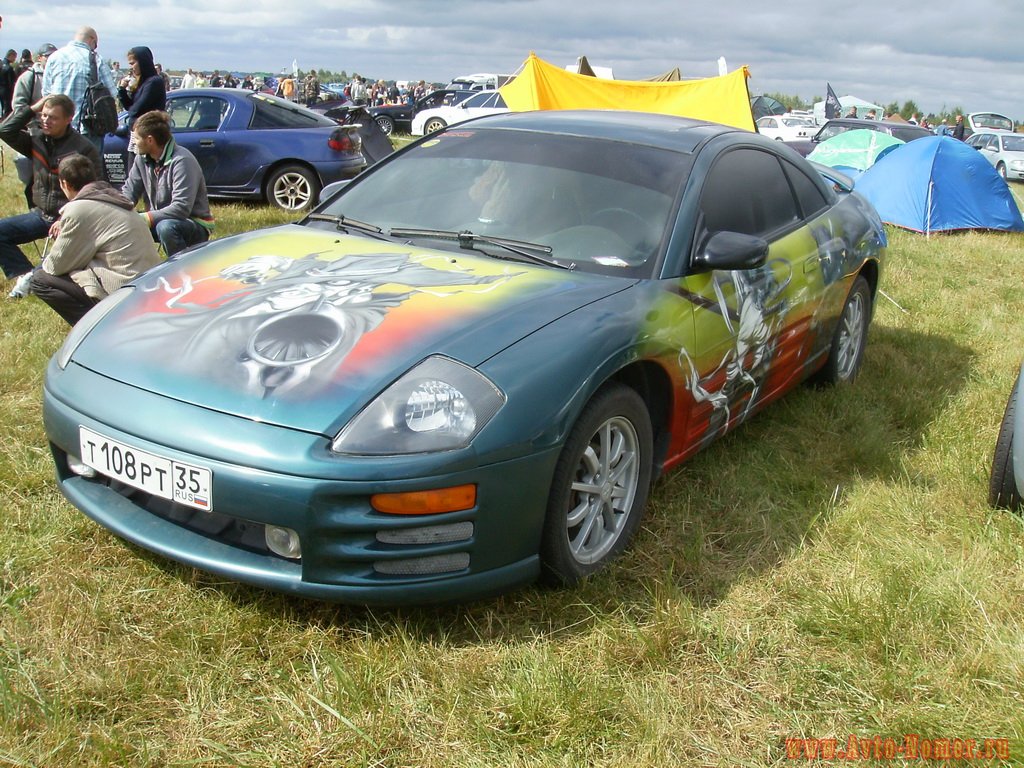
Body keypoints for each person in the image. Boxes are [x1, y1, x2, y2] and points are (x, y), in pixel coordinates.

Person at [29, 154, 161, 324]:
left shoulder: (79, 209)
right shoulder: (114, 198)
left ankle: (96, 328)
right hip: (149, 285)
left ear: (64, 183)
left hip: (124, 294)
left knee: (40, 279)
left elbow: (55, 266)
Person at [0, 94, 100, 286]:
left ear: (68, 119)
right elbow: (5, 130)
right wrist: (32, 109)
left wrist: (66, 218)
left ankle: (39, 277)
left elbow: (95, 190)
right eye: (43, 115)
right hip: (42, 215)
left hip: (71, 219)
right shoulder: (35, 139)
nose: (45, 120)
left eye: (52, 117)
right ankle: (26, 277)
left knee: (62, 267)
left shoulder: (84, 149)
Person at [121, 109, 214, 256]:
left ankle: (180, 271)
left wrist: (145, 218)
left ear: (150, 140)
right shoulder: (141, 159)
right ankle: (140, 272)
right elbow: (129, 192)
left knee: (166, 227)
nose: (134, 143)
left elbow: (181, 208)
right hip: (161, 219)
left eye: (137, 138)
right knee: (123, 223)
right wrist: (119, 212)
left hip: (192, 223)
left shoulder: (182, 161)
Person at [41, 26, 117, 152]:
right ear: (92, 40)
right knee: (89, 169)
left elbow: (46, 93)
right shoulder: (96, 60)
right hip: (87, 129)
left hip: (58, 127)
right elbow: (111, 93)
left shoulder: (54, 57)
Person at [12, 43, 58, 208]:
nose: (52, 59)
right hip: (34, 133)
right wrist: (34, 121)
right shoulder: (29, 77)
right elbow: (18, 107)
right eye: (48, 56)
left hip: (55, 133)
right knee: (35, 176)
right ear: (40, 58)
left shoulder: (58, 75)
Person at [116, 45, 166, 156]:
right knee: (133, 170)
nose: (131, 67)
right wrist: (122, 90)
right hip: (137, 135)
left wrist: (132, 110)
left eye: (133, 63)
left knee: (143, 171)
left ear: (143, 62)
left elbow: (136, 109)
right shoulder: (143, 82)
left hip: (149, 137)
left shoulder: (154, 82)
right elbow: (130, 107)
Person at [0, 49, 17, 116]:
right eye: (14, 57)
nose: (15, 59)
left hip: (1, 89)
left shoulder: (1, 65)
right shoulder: (9, 68)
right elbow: (11, 82)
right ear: (11, 55)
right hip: (6, 91)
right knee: (7, 109)